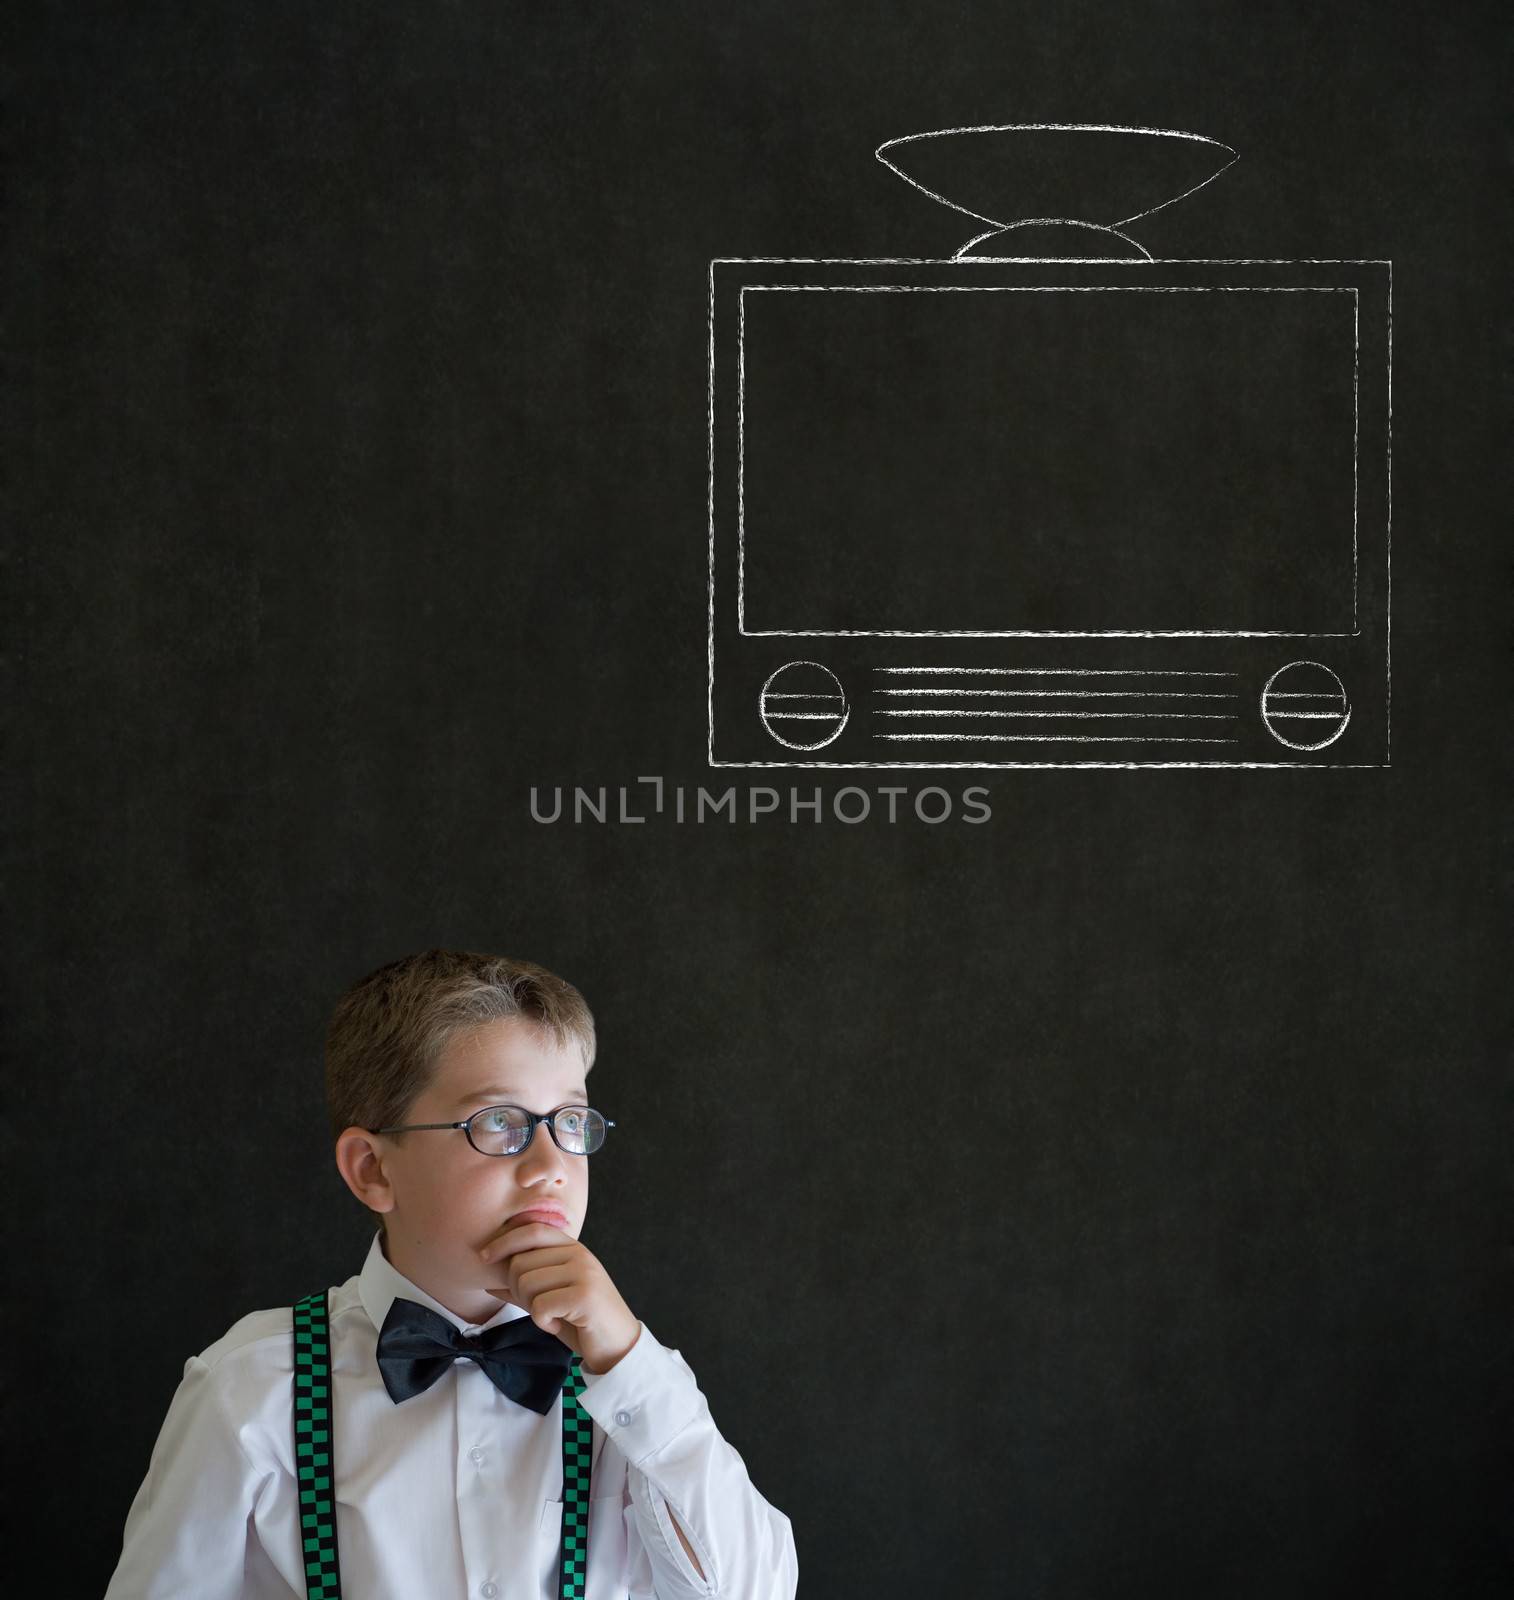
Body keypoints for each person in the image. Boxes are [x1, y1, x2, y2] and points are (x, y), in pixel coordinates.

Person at [104, 948, 799, 1599]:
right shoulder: (252, 1388)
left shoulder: (633, 1391)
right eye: (498, 1122)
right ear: (373, 1170)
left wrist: (628, 1363)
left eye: (570, 1120)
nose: (551, 1165)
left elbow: (756, 1589)